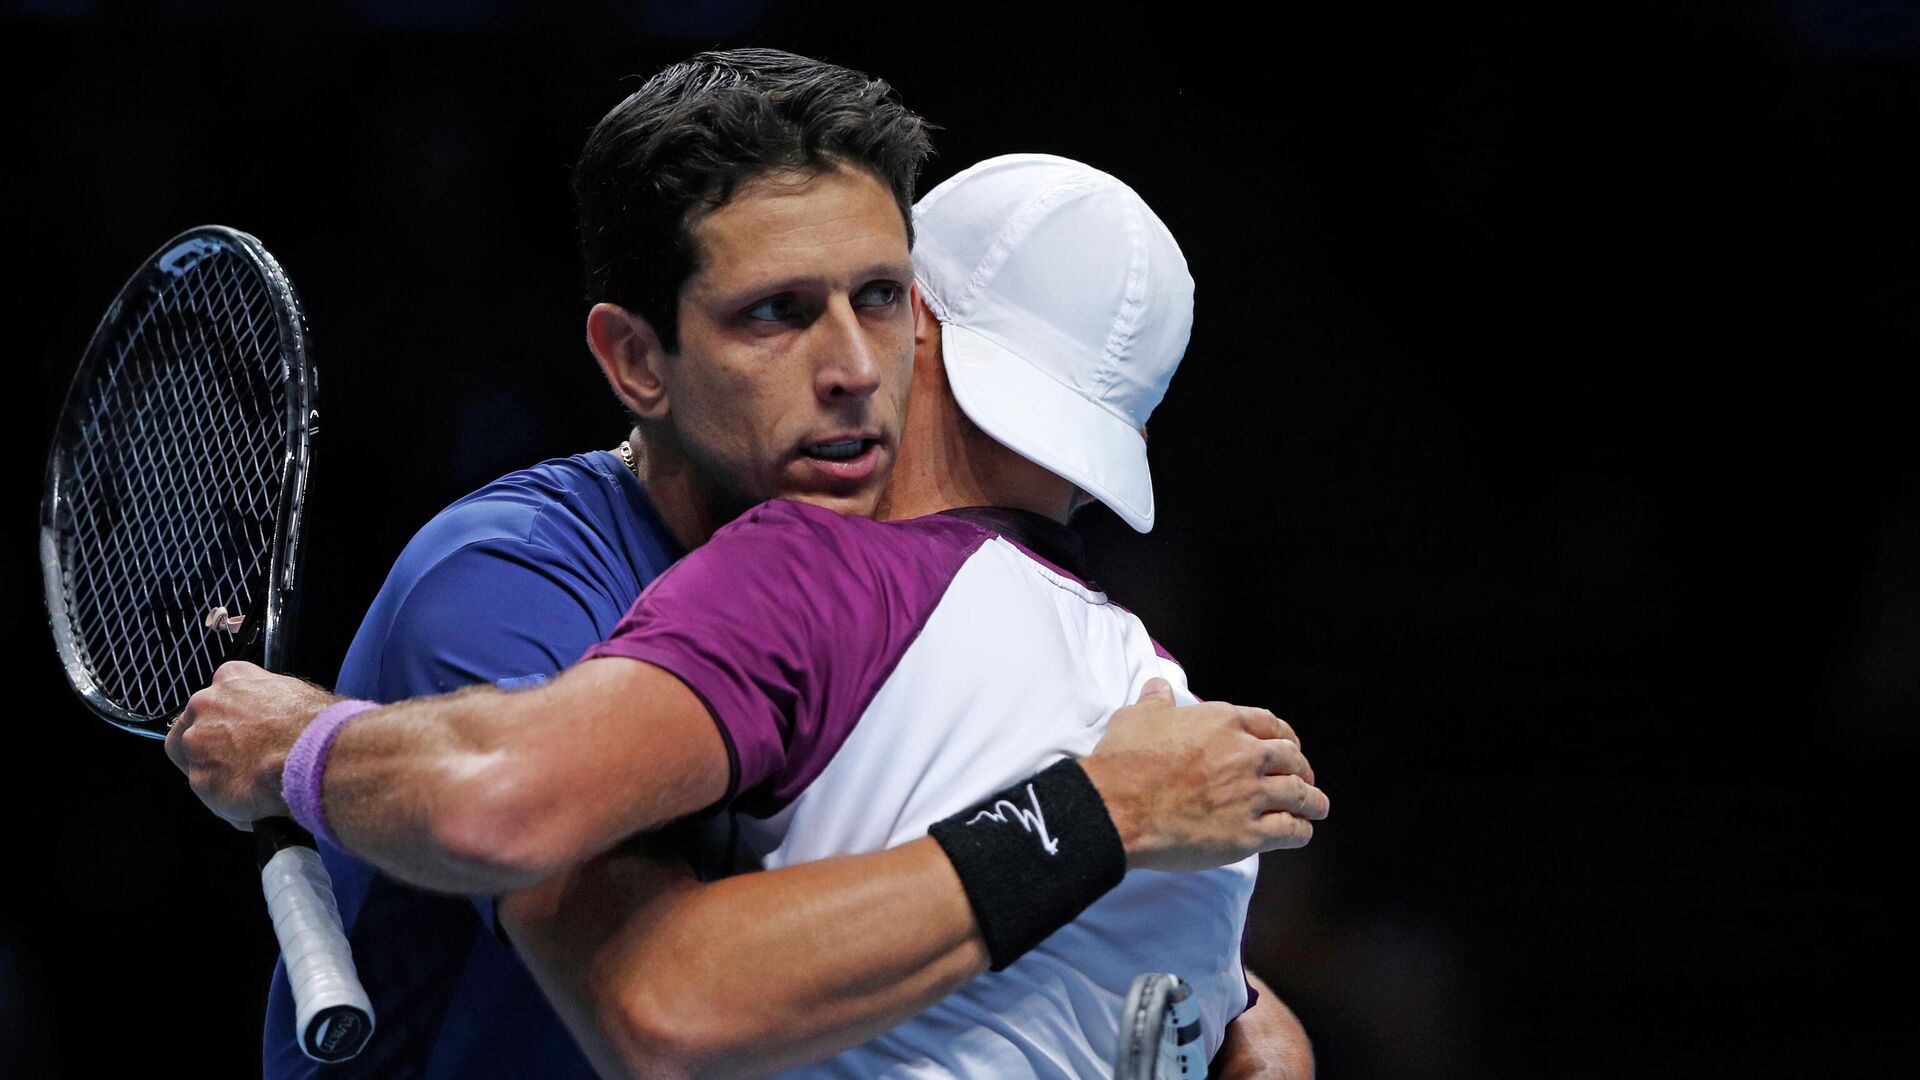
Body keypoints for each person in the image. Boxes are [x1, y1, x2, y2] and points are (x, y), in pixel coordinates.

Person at [170, 50, 1322, 1078]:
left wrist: (1219, 1005)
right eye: (775, 313)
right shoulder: (511, 584)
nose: (851, 369)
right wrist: (1095, 814)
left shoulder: (942, 603)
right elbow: (640, 968)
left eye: (877, 299)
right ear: (637, 361)